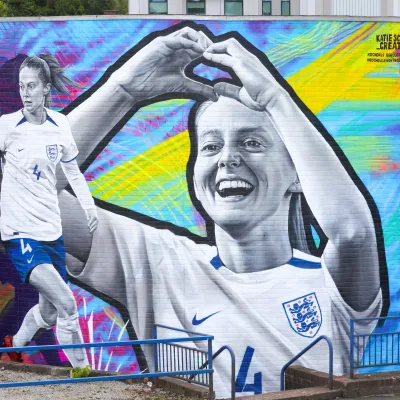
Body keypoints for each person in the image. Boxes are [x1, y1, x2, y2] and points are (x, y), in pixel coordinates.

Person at [1, 24, 388, 396]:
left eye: (252, 142)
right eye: (210, 146)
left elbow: (352, 231)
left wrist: (275, 98)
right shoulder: (159, 261)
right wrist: (122, 90)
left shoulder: (330, 283)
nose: (227, 160)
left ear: (297, 173)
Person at [0, 54, 99, 368]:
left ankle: (14, 345)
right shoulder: (6, 126)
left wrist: (88, 205)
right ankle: (84, 370)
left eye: (31, 86)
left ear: (45, 89)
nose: (25, 93)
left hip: (51, 232)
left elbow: (71, 171)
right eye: (21, 87)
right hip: (19, 234)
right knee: (68, 304)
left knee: (50, 311)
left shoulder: (60, 125)